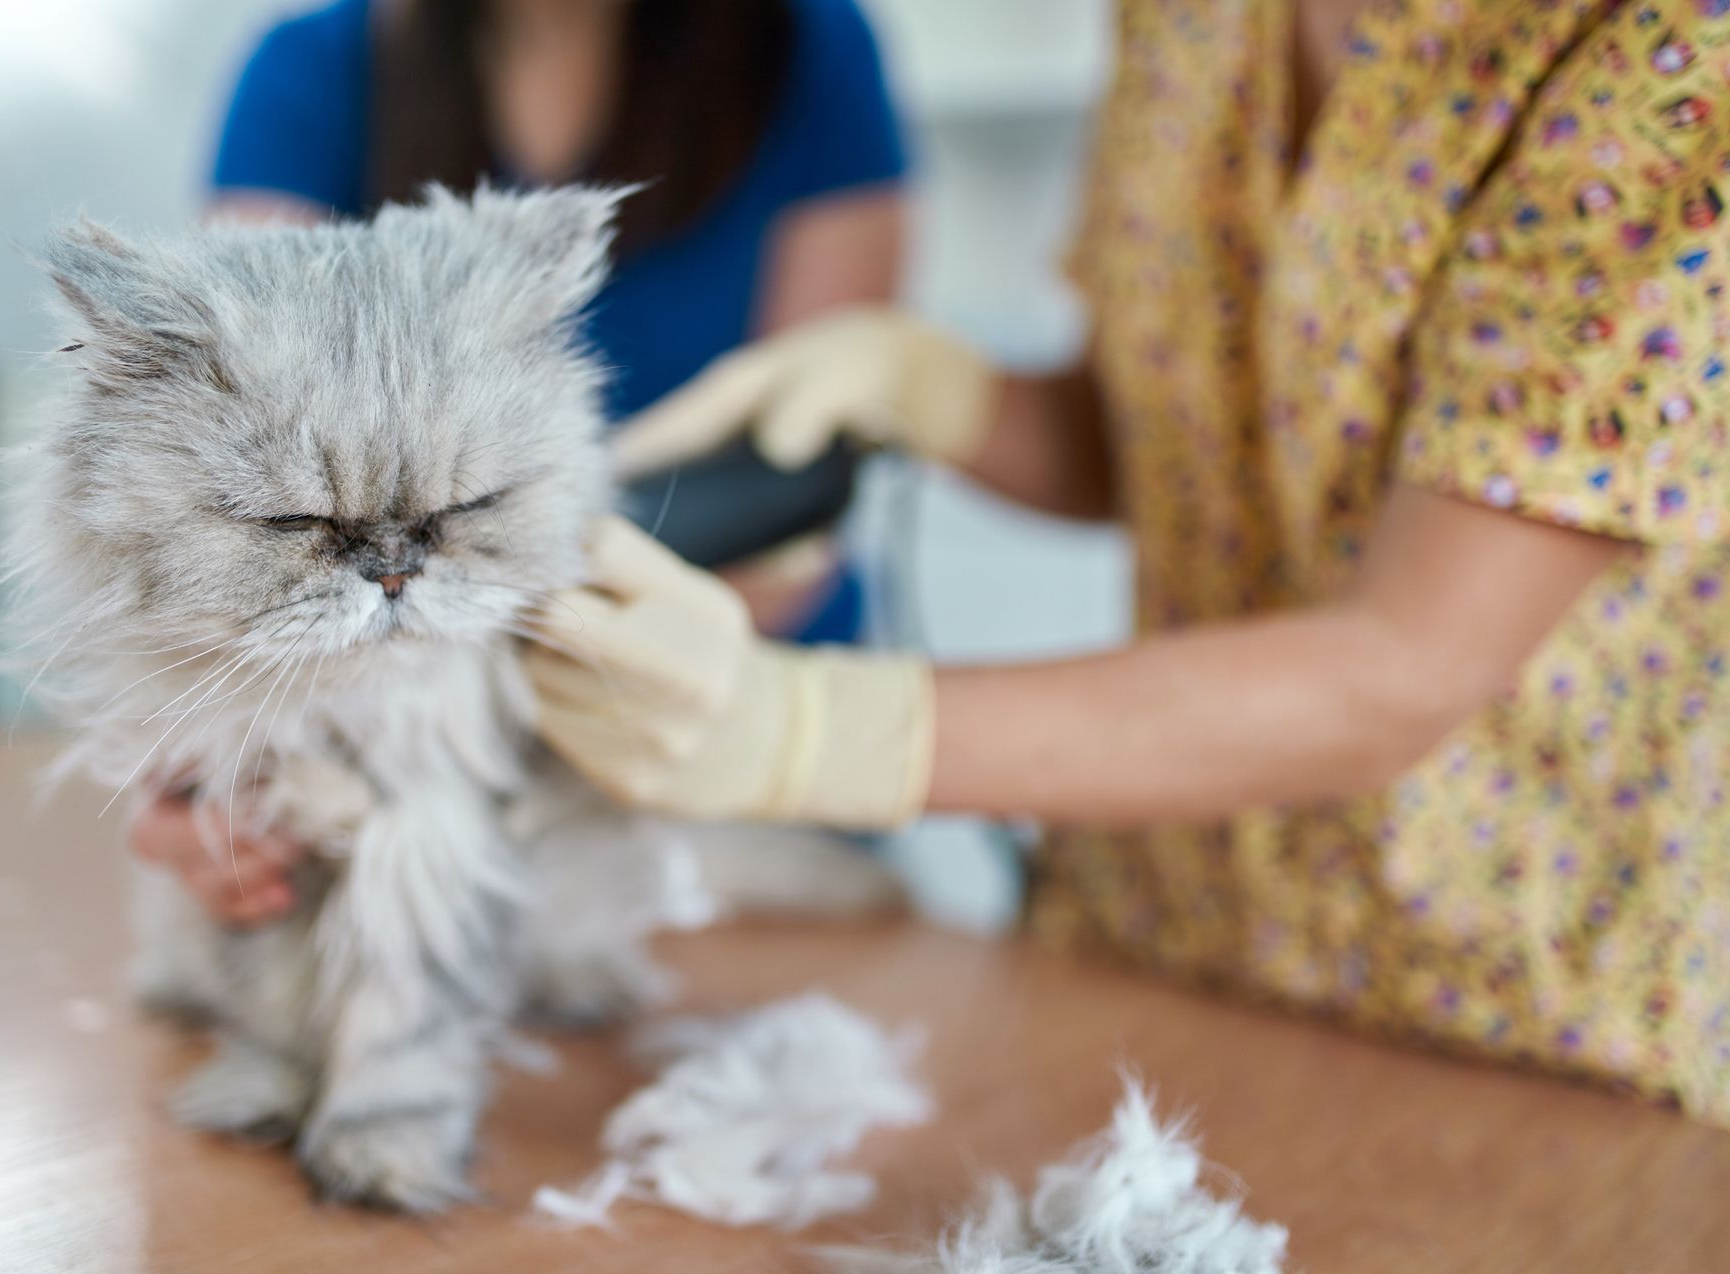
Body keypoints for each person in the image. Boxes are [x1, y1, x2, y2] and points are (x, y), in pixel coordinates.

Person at [523, 0, 1730, 1124]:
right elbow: (1166, 444)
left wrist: (811, 730)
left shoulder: (1675, 57)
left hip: (1524, 1033)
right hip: (1152, 945)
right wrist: (924, 389)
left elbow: (1405, 664)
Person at [130, 0, 907, 920]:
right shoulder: (312, 68)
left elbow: (792, 502)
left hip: (743, 722)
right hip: (405, 727)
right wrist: (199, 743)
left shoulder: (810, 47)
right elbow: (224, 451)